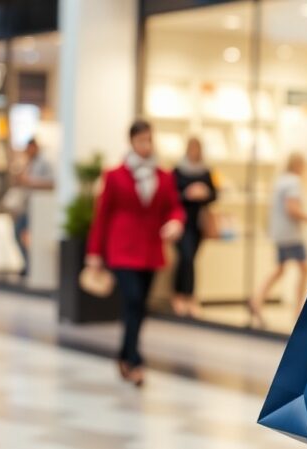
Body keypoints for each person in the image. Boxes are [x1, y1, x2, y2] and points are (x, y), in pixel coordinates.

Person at [85, 120, 185, 387]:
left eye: (149, 140)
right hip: (122, 249)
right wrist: (94, 253)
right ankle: (134, 359)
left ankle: (124, 354)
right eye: (141, 140)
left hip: (150, 249)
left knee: (139, 306)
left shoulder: (163, 177)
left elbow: (174, 208)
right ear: (131, 141)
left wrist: (176, 222)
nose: (146, 145)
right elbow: (102, 216)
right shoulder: (115, 176)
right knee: (133, 298)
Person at [249, 152, 307, 329]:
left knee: (281, 269)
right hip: (291, 235)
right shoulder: (293, 182)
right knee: (304, 268)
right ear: (299, 165)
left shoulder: (281, 181)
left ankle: (257, 300)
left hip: (280, 233)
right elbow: (292, 209)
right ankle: (298, 310)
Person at [172, 137, 217, 317]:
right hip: (181, 222)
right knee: (186, 258)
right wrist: (187, 194)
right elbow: (171, 195)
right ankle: (182, 296)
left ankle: (187, 296)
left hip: (198, 223)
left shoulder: (205, 171)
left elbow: (214, 195)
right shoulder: (178, 171)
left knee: (190, 259)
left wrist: (204, 194)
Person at [12, 138, 54, 275]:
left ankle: (32, 266)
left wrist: (30, 182)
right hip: (25, 206)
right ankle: (28, 263)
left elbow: (51, 183)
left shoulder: (45, 163)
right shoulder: (28, 163)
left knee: (31, 238)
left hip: (38, 208)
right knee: (18, 234)